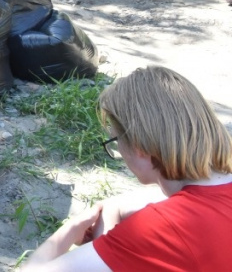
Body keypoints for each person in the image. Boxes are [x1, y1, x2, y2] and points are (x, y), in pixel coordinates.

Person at [20, 66, 232, 271]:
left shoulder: (161, 226)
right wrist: (111, 213)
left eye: (115, 140)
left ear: (139, 147)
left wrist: (70, 229)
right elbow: (127, 203)